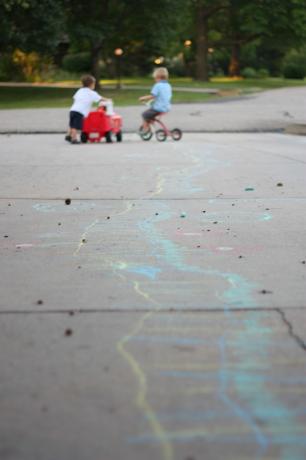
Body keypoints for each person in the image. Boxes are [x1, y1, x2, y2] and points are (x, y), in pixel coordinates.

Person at [65, 75, 111, 144]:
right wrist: (108, 100)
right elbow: (100, 98)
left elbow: (75, 98)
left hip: (72, 110)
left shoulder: (80, 91)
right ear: (91, 84)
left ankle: (68, 135)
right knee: (75, 126)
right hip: (80, 112)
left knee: (72, 124)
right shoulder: (92, 93)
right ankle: (74, 139)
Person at [139, 67, 172, 133]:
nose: (155, 80)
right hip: (166, 108)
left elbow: (152, 96)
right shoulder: (168, 85)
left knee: (144, 114)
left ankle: (145, 130)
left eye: (155, 78)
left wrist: (143, 98)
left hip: (158, 108)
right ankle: (150, 123)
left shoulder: (157, 85)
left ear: (158, 77)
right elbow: (161, 96)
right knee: (150, 114)